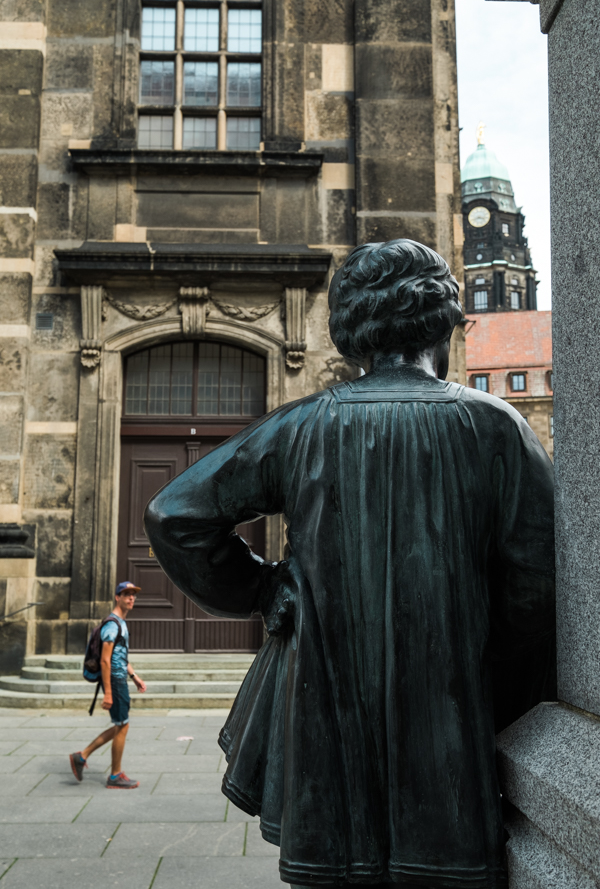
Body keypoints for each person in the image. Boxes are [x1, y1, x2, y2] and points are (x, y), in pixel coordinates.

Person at [144, 240, 555, 889]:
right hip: (448, 748)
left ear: (352, 333)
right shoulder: (498, 428)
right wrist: (486, 697)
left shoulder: (304, 425)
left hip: (326, 745)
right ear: (444, 322)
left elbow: (175, 514)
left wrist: (261, 587)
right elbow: (534, 595)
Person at [69, 581, 147, 789]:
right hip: (114, 680)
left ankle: (82, 756)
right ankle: (114, 776)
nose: (131, 598)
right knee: (122, 725)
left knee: (121, 724)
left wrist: (134, 676)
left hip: (120, 677)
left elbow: (119, 656)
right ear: (117, 597)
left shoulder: (120, 623)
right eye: (127, 594)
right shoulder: (113, 624)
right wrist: (108, 693)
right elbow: (105, 660)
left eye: (133, 594)